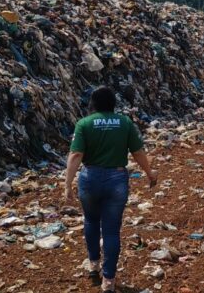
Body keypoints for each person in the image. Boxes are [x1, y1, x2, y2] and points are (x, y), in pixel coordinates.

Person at [63, 86, 158, 293]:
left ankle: (93, 265)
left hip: (90, 178)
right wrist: (150, 173)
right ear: (113, 104)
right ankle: (109, 281)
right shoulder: (124, 123)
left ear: (93, 104)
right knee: (112, 230)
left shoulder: (84, 124)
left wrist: (68, 184)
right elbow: (138, 152)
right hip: (116, 180)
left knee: (90, 221)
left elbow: (76, 155)